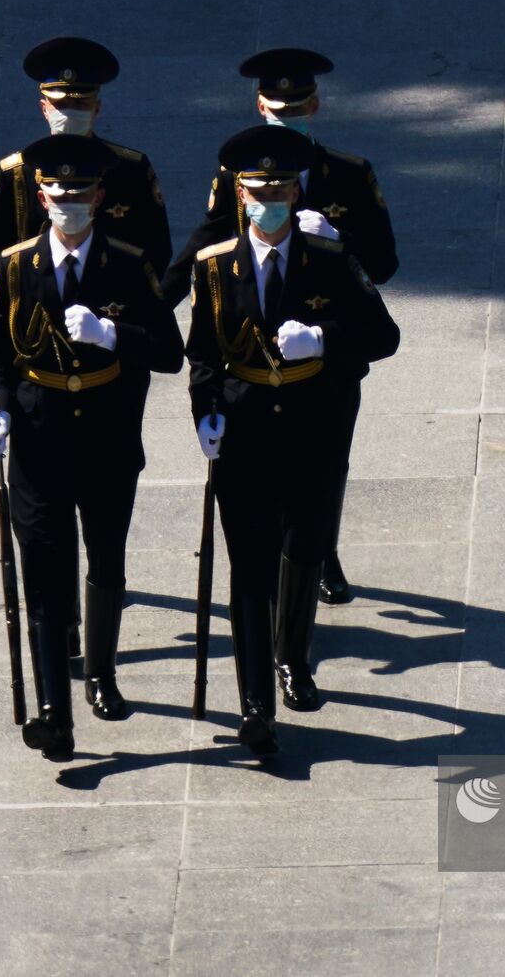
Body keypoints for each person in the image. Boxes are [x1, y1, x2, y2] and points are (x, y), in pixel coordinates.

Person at [184, 125, 399, 755]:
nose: (270, 197)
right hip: (245, 429)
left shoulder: (330, 257)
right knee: (249, 565)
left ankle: (293, 661)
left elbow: (384, 336)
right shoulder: (215, 266)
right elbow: (203, 355)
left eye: (281, 186)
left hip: (315, 422)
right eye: (258, 188)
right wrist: (204, 413)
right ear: (240, 194)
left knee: (305, 547)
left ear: (297, 189)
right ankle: (255, 703)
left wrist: (325, 340)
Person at [0, 36, 172, 656]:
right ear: (40, 104)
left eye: (82, 101)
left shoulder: (129, 168)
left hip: (108, 340)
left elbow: (156, 256)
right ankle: (63, 619)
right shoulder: (18, 171)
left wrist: (135, 324)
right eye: (59, 100)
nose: (70, 110)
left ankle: (101, 601)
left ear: (99, 107)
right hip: (32, 342)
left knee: (107, 469)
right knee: (44, 500)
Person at [164, 47, 398, 607]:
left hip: (329, 350)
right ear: (259, 105)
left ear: (314, 105)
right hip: (257, 343)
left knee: (328, 459)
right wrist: (157, 299)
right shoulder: (239, 173)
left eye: (296, 105)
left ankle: (323, 552)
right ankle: (302, 554)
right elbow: (210, 237)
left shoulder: (349, 174)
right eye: (274, 105)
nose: (284, 114)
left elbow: (384, 264)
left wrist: (340, 243)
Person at [0, 134, 184, 761]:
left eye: (81, 194)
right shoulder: (16, 266)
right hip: (40, 443)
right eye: (57, 193)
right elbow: (0, 356)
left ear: (99, 197)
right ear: (41, 197)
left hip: (105, 435)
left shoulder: (127, 263)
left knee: (105, 557)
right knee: (43, 570)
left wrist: (112, 333)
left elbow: (170, 353)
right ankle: (54, 714)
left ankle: (101, 676)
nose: (68, 203)